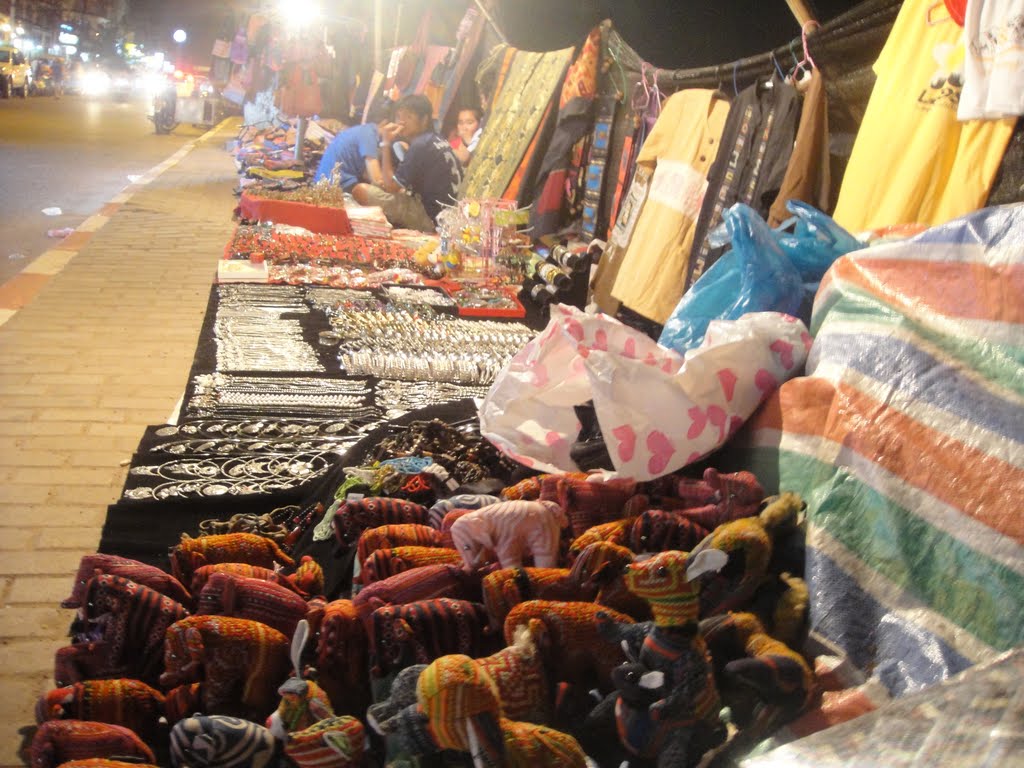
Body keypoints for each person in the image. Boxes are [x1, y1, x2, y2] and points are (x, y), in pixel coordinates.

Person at [352, 94, 463, 232]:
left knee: (360, 190)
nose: (402, 122)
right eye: (399, 116)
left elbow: (390, 186)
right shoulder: (437, 139)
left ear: (424, 120)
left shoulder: (420, 145)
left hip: (432, 218)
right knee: (378, 185)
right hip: (447, 213)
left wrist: (386, 143)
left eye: (409, 117)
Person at [314, 104, 391, 192]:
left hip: (324, 185)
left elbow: (367, 174)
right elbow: (377, 180)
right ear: (384, 123)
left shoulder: (361, 130)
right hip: (335, 188)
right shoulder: (369, 134)